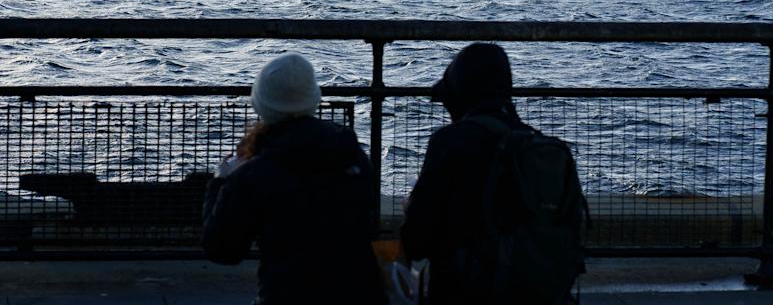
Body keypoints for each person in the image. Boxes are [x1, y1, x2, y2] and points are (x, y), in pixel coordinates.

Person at [401, 43, 586, 304]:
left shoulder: (450, 142)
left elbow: (416, 243)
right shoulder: (541, 148)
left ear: (459, 96)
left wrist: (412, 207)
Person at [202, 52, 385, 305]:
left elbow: (222, 249)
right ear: (312, 98)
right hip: (362, 294)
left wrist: (221, 183)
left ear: (261, 104)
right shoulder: (351, 154)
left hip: (286, 294)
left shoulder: (255, 174)